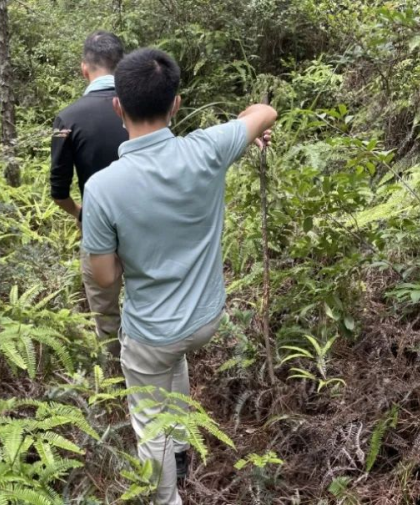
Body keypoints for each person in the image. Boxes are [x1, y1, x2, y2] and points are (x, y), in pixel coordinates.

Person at [81, 48, 277, 504]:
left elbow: (105, 279)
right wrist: (243, 129)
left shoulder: (102, 188)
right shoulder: (210, 148)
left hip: (153, 333)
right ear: (176, 104)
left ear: (117, 106)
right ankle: (184, 449)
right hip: (205, 318)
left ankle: (166, 498)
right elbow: (265, 112)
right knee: (176, 360)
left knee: (149, 421)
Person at [50, 31, 128, 357]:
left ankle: (113, 390)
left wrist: (80, 213)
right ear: (121, 66)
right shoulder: (143, 110)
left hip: (98, 231)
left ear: (85, 69)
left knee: (106, 317)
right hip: (148, 225)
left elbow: (58, 189)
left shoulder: (68, 118)